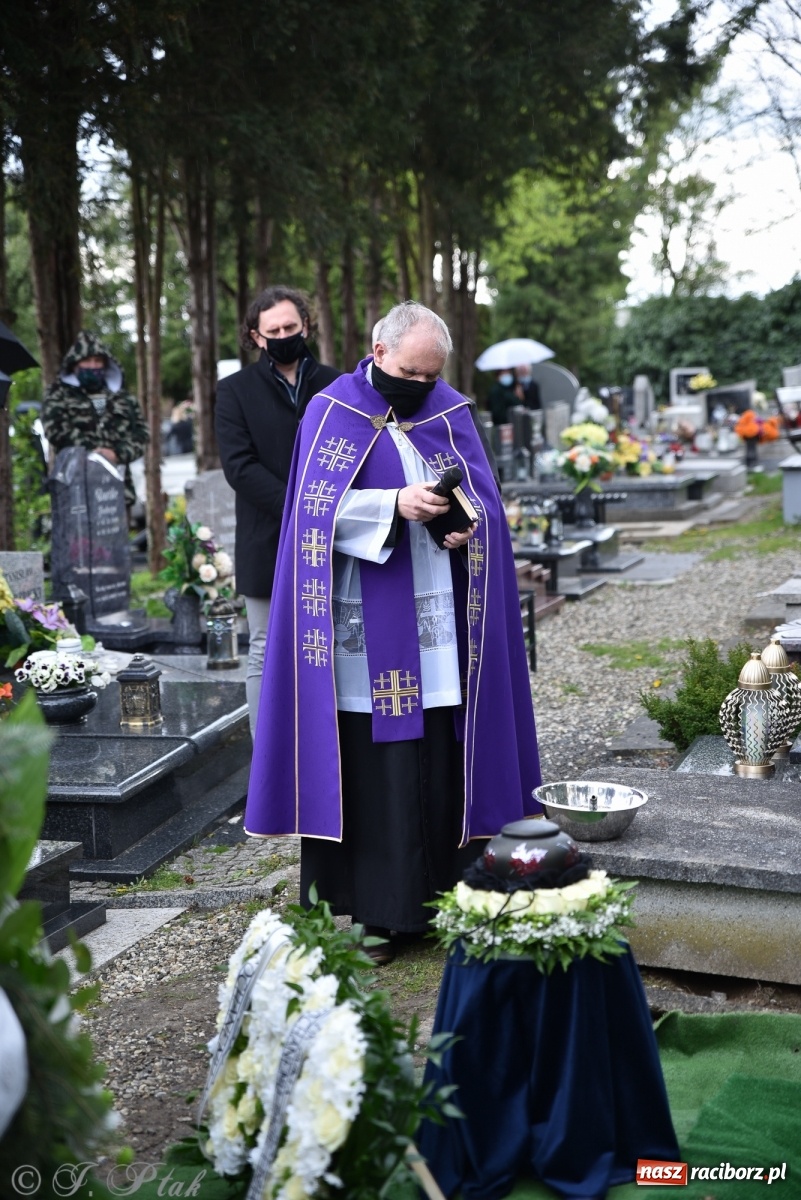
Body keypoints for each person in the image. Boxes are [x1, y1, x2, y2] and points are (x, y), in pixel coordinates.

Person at [245, 301, 542, 963]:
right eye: (409, 371)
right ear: (377, 354)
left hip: (436, 620)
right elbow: (310, 516)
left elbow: (487, 506)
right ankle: (375, 913)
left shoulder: (449, 410)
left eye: (430, 375)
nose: (419, 385)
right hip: (364, 621)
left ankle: (453, 896)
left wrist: (466, 523)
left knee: (442, 750)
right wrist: (392, 506)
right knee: (368, 767)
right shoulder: (330, 412)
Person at [215, 286, 340, 737]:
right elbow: (239, 466)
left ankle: (330, 750)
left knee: (336, 643)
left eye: (292, 326)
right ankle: (266, 758)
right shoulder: (234, 392)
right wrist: (300, 507)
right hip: (266, 535)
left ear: (305, 325)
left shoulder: (338, 385)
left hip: (336, 534)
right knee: (266, 648)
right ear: (256, 336)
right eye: (274, 330)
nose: (285, 334)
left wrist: (326, 510)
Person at [41, 330, 148, 507]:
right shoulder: (58, 395)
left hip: (117, 490)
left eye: (98, 361)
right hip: (75, 489)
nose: (92, 366)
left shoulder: (123, 398)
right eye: (87, 361)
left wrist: (116, 454)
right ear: (75, 365)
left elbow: (141, 434)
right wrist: (94, 454)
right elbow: (55, 430)